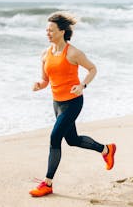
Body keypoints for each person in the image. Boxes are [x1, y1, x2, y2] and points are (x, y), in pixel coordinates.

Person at [29, 12, 116, 197]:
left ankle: (48, 183)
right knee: (72, 140)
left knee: (54, 138)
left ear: (62, 31)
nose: (47, 33)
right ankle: (107, 149)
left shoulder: (74, 53)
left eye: (51, 30)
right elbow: (45, 80)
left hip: (73, 102)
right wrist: (39, 85)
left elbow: (93, 69)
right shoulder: (45, 54)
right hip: (57, 103)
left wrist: (83, 85)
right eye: (46, 30)